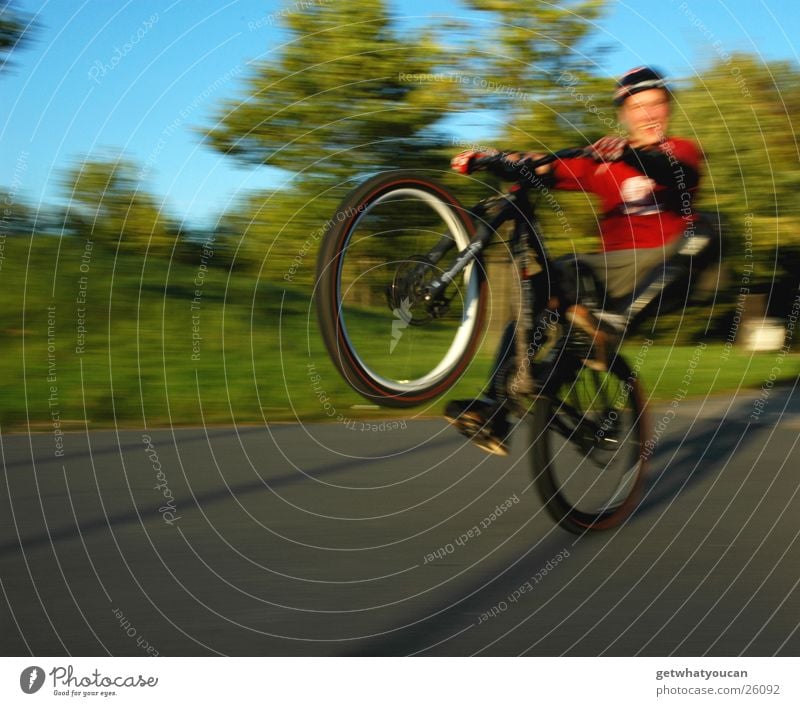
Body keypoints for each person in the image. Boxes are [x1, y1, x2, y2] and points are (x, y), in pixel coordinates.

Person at [445, 67, 709, 456]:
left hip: (666, 261)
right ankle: (495, 408)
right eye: (638, 107)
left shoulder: (679, 149)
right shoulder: (601, 160)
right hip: (611, 269)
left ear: (668, 108)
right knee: (543, 286)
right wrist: (491, 157)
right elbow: (543, 164)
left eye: (656, 104)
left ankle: (608, 329)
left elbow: (676, 172)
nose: (649, 114)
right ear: (623, 115)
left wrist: (630, 154)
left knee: (712, 227)